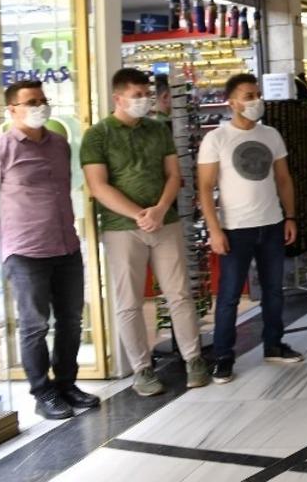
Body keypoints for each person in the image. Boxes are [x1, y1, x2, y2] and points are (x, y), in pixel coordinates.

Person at [81, 68, 210, 396]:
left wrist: (158, 209)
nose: (143, 101)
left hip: (165, 222)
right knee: (129, 302)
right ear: (118, 98)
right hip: (122, 228)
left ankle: (193, 359)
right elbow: (98, 186)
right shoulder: (97, 135)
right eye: (136, 95)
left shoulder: (158, 129)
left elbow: (173, 175)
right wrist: (138, 214)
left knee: (179, 294)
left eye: (146, 94)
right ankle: (142, 368)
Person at [0, 81, 99, 420]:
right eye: (31, 102)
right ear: (12, 110)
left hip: (65, 244)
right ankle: (42, 392)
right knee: (34, 324)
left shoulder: (60, 144)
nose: (40, 106)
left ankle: (66, 384)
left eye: (43, 100)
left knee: (71, 321)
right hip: (25, 250)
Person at [198, 73, 304, 383]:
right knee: (230, 294)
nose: (255, 100)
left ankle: (274, 344)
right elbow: (205, 188)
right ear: (232, 102)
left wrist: (291, 217)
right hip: (235, 229)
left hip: (271, 224)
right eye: (248, 95)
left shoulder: (271, 134)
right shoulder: (216, 139)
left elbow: (283, 179)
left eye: (257, 94)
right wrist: (215, 230)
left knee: (274, 290)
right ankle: (223, 356)